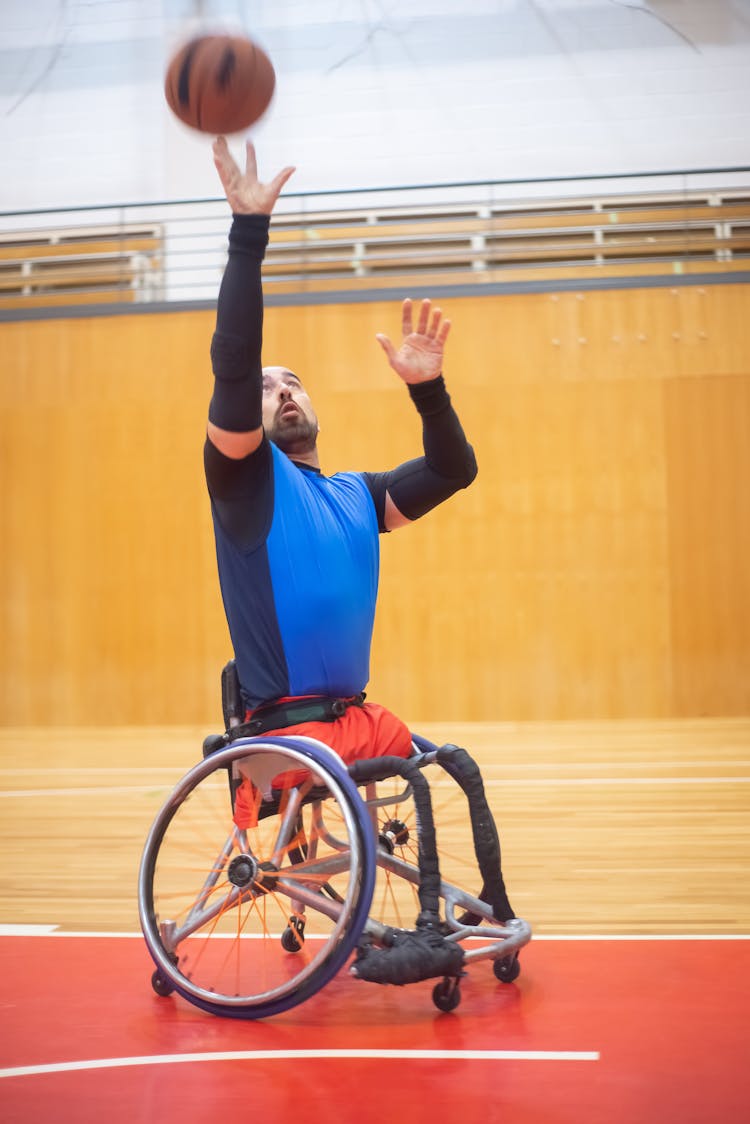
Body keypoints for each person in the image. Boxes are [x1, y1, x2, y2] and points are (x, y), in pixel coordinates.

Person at [205, 137, 478, 821]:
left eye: (293, 382)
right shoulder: (245, 480)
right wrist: (248, 233)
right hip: (286, 735)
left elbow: (455, 469)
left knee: (457, 770)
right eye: (269, 389)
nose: (283, 392)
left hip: (355, 720)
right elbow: (235, 364)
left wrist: (430, 391)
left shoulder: (361, 497)